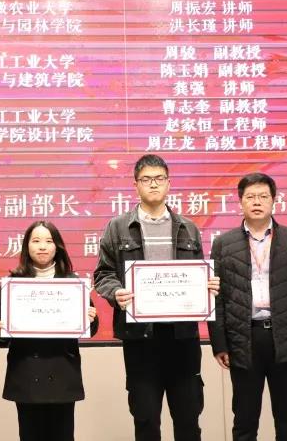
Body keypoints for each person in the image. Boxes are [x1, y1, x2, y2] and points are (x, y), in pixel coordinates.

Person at [93, 154, 220, 441]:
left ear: (169, 184)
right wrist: (116, 292)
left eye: (159, 178)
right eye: (146, 179)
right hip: (141, 339)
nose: (153, 184)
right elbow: (103, 274)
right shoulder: (118, 227)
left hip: (182, 338)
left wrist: (207, 286)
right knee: (146, 420)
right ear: (136, 185)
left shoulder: (188, 227)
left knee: (188, 419)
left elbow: (198, 275)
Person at [208, 172, 287, 441]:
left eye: (263, 196)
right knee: (244, 421)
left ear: (274, 200)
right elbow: (216, 298)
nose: (257, 202)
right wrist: (219, 344)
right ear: (240, 202)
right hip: (243, 339)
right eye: (250, 197)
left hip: (286, 339)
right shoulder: (223, 244)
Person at [0, 220, 98, 441]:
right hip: (26, 373)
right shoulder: (13, 284)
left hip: (62, 372)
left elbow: (91, 328)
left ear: (57, 247)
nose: (42, 246)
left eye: (49, 241)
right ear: (26, 246)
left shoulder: (72, 283)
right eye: (36, 241)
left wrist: (90, 318)